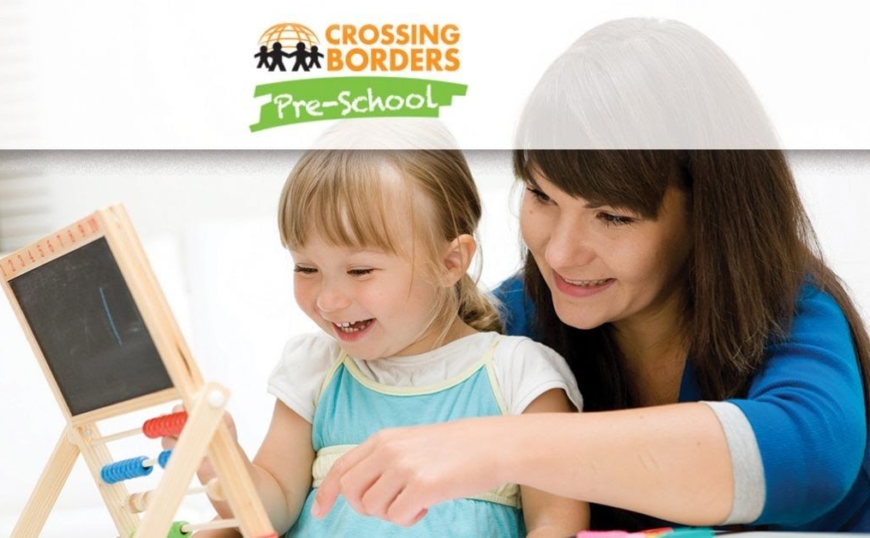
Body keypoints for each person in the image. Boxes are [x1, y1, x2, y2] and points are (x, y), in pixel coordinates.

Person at [311, 19, 870, 531]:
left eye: (612, 216)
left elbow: (808, 457)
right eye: (540, 195)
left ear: (707, 214)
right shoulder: (513, 323)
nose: (559, 254)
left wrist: (499, 445)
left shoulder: (791, 308)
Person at [170, 149, 589, 537]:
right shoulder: (315, 368)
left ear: (449, 262)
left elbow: (557, 521)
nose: (328, 299)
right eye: (306, 267)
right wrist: (219, 460)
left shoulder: (521, 373)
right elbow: (268, 509)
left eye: (360, 271)